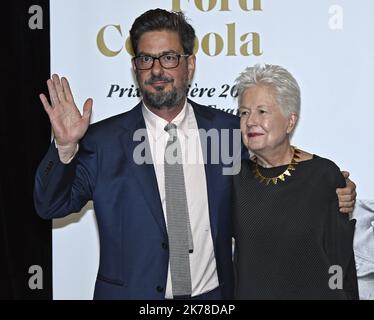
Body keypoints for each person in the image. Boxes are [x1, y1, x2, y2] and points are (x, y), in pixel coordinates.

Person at [34, 9, 356, 300]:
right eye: (146, 59)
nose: (157, 70)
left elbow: (275, 153)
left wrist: (330, 181)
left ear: (190, 64)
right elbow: (50, 205)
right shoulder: (103, 141)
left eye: (169, 58)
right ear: (135, 68)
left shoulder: (230, 130)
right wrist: (64, 148)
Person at [232, 64, 359, 299]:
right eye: (244, 112)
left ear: (290, 121)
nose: (250, 121)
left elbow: (340, 261)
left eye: (262, 111)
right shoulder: (234, 179)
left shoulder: (323, 175)